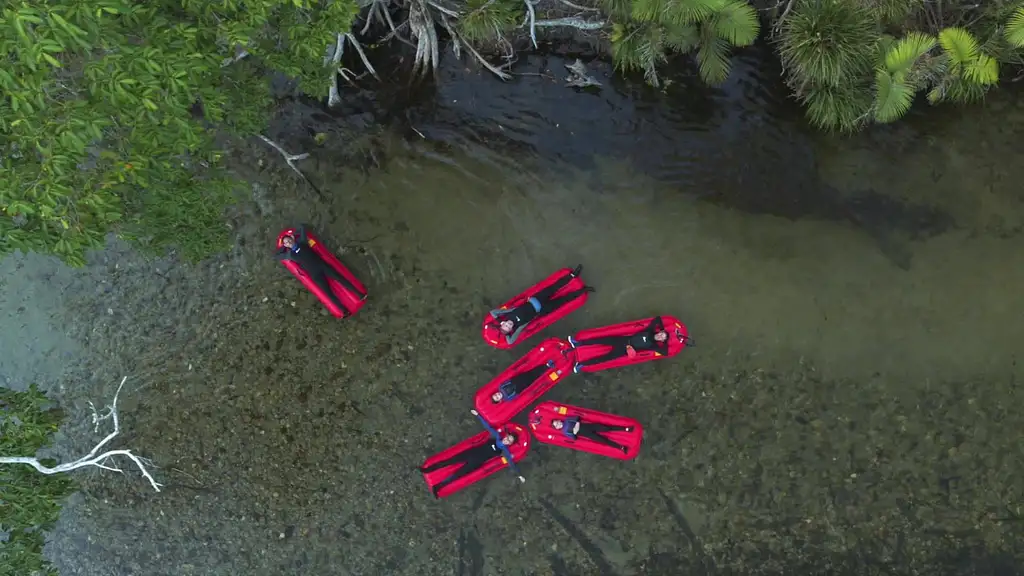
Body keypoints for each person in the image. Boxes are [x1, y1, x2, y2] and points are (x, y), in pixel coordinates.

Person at [490, 265, 593, 346]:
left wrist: (499, 322)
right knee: (564, 300)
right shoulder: (519, 326)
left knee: (554, 287)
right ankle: (583, 290)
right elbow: (510, 341)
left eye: (506, 325)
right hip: (543, 309)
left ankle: (572, 275)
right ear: (510, 330)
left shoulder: (509, 314)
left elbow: (493, 313)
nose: (509, 325)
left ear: (503, 323)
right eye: (508, 327)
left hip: (537, 299)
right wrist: (507, 333)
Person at [277, 227, 366, 316]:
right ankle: (344, 310)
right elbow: (276, 256)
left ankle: (360, 294)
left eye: (288, 240)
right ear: (285, 245)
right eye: (286, 243)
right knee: (328, 292)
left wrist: (293, 234)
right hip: (315, 275)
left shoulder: (302, 242)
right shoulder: (290, 255)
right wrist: (283, 245)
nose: (288, 243)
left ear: (292, 238)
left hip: (323, 266)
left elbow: (302, 228)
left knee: (340, 278)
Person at [419, 431, 518, 497]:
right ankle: (428, 469)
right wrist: (478, 414)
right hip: (470, 453)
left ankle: (438, 487)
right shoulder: (494, 438)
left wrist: (518, 473)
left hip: (475, 462)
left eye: (509, 441)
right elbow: (488, 427)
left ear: (510, 444)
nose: (507, 440)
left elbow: (510, 463)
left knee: (456, 475)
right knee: (449, 461)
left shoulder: (502, 451)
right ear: (506, 436)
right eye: (508, 437)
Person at [569, 316, 669, 373]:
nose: (660, 336)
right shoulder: (649, 330)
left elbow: (665, 352)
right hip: (623, 340)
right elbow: (657, 319)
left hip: (625, 350)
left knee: (603, 358)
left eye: (662, 338)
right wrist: (662, 328)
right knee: (600, 340)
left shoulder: (653, 345)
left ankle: (581, 365)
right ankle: (578, 343)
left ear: (662, 341)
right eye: (661, 334)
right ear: (659, 332)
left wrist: (665, 342)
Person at [551, 416, 633, 454]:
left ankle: (626, 429)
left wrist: (576, 427)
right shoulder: (565, 432)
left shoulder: (567, 420)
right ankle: (621, 447)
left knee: (606, 428)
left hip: (589, 426)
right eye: (556, 425)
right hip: (588, 434)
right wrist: (575, 430)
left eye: (557, 422)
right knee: (604, 441)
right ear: (557, 428)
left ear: (558, 420)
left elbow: (577, 418)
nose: (558, 424)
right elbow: (574, 437)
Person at [490, 360, 558, 403]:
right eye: (497, 397)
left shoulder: (501, 387)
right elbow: (516, 394)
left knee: (533, 371)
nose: (497, 395)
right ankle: (547, 367)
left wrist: (516, 378)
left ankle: (546, 365)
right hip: (523, 385)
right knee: (536, 376)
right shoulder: (507, 398)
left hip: (519, 378)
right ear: (499, 400)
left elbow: (509, 381)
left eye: (495, 394)